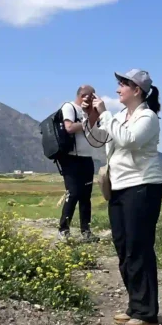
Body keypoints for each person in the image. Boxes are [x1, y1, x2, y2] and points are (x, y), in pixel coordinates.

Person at [85, 69, 162, 325]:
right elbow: (99, 140)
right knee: (123, 247)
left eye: (123, 84)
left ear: (137, 90)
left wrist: (105, 114)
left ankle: (147, 313)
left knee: (138, 248)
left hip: (142, 187)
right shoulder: (119, 116)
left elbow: (128, 140)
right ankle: (136, 306)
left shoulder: (147, 117)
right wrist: (92, 116)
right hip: (119, 187)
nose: (118, 88)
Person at [57, 84, 102, 242]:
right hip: (71, 158)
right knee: (73, 193)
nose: (91, 99)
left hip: (86, 157)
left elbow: (95, 128)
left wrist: (95, 112)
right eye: (90, 96)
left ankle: (86, 230)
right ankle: (64, 229)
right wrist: (85, 120)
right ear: (84, 96)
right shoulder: (69, 107)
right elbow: (69, 127)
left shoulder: (88, 112)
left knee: (86, 196)